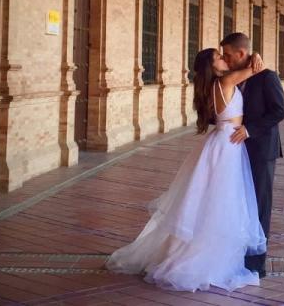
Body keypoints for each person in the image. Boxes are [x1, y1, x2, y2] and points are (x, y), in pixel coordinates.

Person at [106, 48, 267, 292]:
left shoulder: (212, 85)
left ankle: (200, 251)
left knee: (208, 199)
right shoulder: (225, 80)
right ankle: (203, 258)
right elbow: (258, 69)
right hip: (227, 145)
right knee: (219, 200)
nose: (224, 59)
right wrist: (255, 55)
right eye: (219, 58)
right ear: (212, 67)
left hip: (221, 141)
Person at [219, 32, 284, 278]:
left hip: (261, 150)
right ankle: (237, 257)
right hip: (236, 151)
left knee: (259, 206)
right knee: (238, 204)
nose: (226, 59)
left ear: (241, 53)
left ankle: (256, 265)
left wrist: (250, 129)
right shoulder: (231, 76)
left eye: (229, 54)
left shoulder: (267, 76)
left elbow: (280, 110)